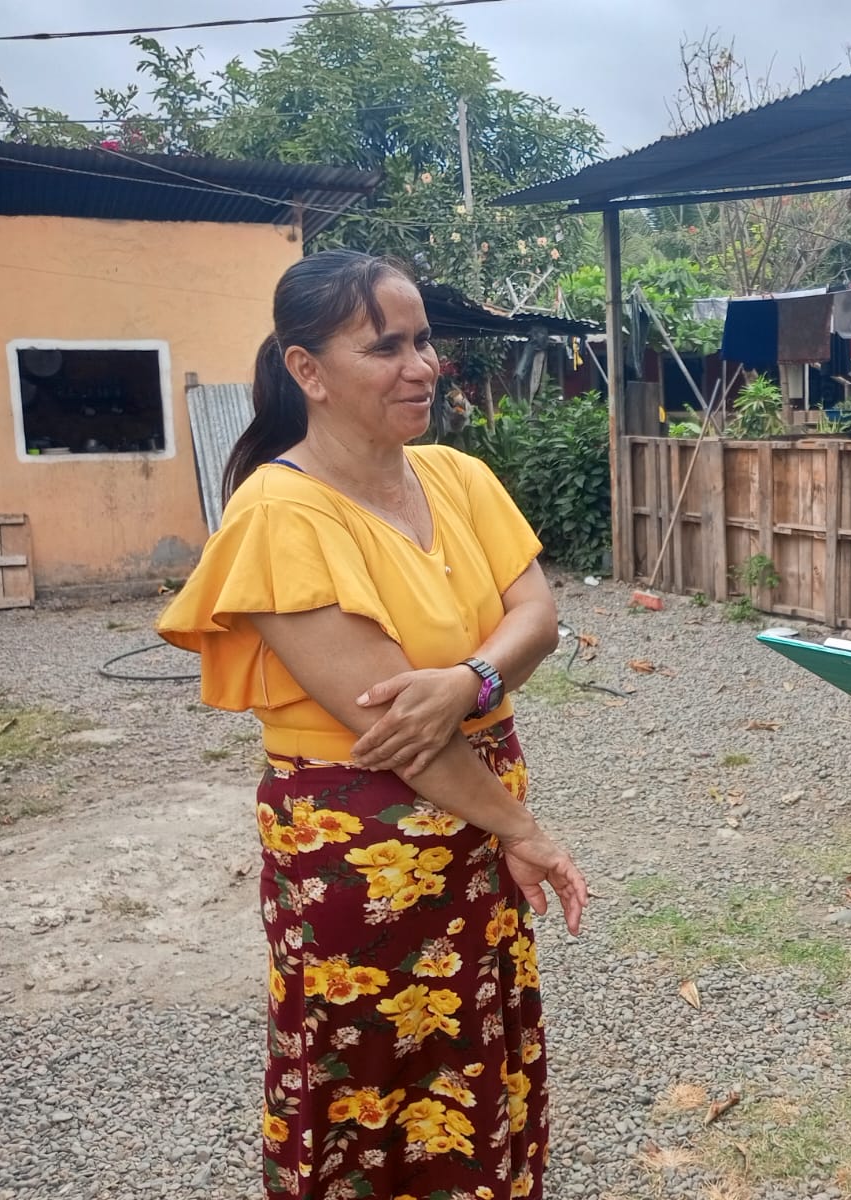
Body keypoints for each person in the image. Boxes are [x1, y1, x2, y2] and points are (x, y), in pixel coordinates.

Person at [157, 249, 587, 1200]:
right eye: (384, 347)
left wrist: (468, 680)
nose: (420, 366)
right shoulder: (277, 516)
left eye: (423, 341)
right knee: (372, 1066)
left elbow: (538, 618)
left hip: (477, 826)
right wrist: (525, 830)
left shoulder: (457, 477)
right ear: (307, 370)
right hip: (362, 857)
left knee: (477, 1044)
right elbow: (403, 732)